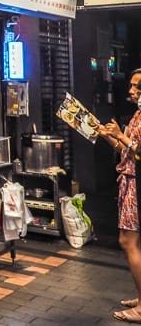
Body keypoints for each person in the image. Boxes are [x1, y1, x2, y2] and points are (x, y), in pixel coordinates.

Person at [97, 68, 141, 323]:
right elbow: (126, 149)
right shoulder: (137, 114)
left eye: (137, 87)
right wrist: (108, 137)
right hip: (129, 180)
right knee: (133, 242)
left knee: (127, 241)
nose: (131, 91)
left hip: (136, 183)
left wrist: (120, 136)